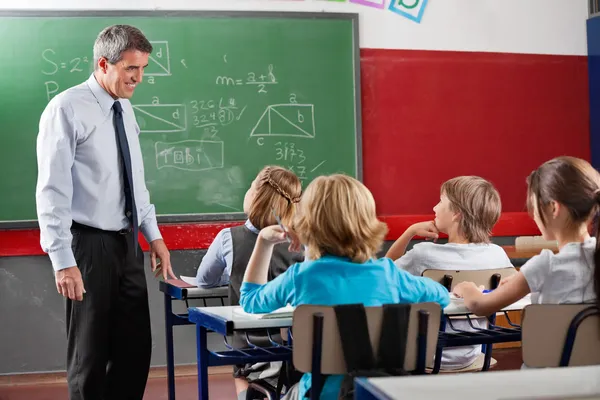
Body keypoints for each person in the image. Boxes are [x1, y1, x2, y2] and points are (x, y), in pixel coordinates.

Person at [35, 25, 175, 400]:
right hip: (87, 245)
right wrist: (62, 261)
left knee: (135, 350)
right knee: (90, 354)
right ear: (103, 63)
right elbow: (51, 191)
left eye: (143, 68)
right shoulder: (66, 108)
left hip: (127, 244)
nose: (139, 78)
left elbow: (136, 181)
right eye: (132, 68)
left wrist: (155, 237)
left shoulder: (124, 110)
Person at [239, 174, 450, 400]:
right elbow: (441, 297)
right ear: (367, 222)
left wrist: (263, 241)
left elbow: (250, 300)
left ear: (307, 222)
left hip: (320, 394)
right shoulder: (389, 274)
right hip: (379, 393)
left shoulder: (302, 277)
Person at [195, 165, 303, 399]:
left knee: (240, 372)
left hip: (248, 346)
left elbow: (204, 280)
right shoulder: (302, 243)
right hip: (296, 348)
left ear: (257, 196)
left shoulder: (228, 238)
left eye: (252, 186)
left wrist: (232, 274)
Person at [387, 176, 512, 370]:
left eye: (441, 201)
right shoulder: (497, 254)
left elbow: (386, 272)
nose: (435, 208)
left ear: (456, 213)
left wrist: (409, 232)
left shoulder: (424, 253)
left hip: (423, 356)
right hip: (471, 355)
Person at [454, 156, 599, 318]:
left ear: (553, 208)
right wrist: (524, 280)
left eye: (534, 207)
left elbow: (479, 306)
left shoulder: (545, 266)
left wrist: (467, 289)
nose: (533, 216)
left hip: (551, 344)